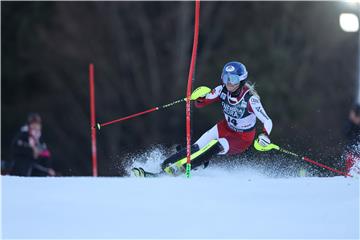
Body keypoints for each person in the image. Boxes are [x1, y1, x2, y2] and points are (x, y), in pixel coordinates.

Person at [132, 61, 273, 177]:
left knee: (214, 145)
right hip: (225, 127)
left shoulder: (250, 100)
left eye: (233, 79)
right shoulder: (222, 89)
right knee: (196, 147)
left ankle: (181, 169)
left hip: (241, 138)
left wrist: (264, 136)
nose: (229, 83)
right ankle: (163, 166)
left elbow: (267, 121)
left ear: (241, 80)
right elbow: (201, 103)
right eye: (226, 78)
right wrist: (198, 98)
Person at [343, 104, 360, 175]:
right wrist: (352, 121)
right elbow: (345, 132)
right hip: (351, 152)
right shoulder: (349, 123)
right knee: (350, 173)